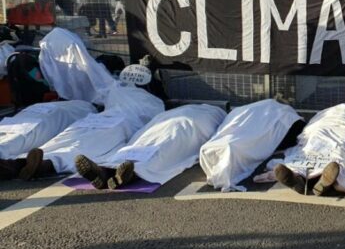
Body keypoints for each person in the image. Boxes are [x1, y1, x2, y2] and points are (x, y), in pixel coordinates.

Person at [9, 83, 165, 181]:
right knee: (73, 141)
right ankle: (20, 163)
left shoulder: (121, 91)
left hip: (111, 121)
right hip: (109, 121)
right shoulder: (147, 99)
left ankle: (35, 164)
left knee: (75, 142)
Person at [74, 104, 226, 189]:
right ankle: (109, 173)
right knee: (153, 147)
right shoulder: (217, 115)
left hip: (178, 126)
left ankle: (112, 171)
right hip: (174, 126)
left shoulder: (214, 114)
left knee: (152, 146)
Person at [271, 103, 345, 196]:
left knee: (310, 148)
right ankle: (327, 180)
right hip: (338, 128)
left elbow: (313, 122)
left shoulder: (327, 113)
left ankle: (300, 176)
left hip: (325, 128)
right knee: (339, 149)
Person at [199, 99, 305, 191]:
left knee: (234, 144)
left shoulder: (277, 110)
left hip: (257, 125)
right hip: (251, 127)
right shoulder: (277, 110)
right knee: (234, 144)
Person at [0, 100, 96, 180]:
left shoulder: (82, 106)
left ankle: (19, 164)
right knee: (16, 141)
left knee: (14, 141)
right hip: (43, 115)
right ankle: (19, 164)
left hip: (33, 117)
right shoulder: (84, 106)